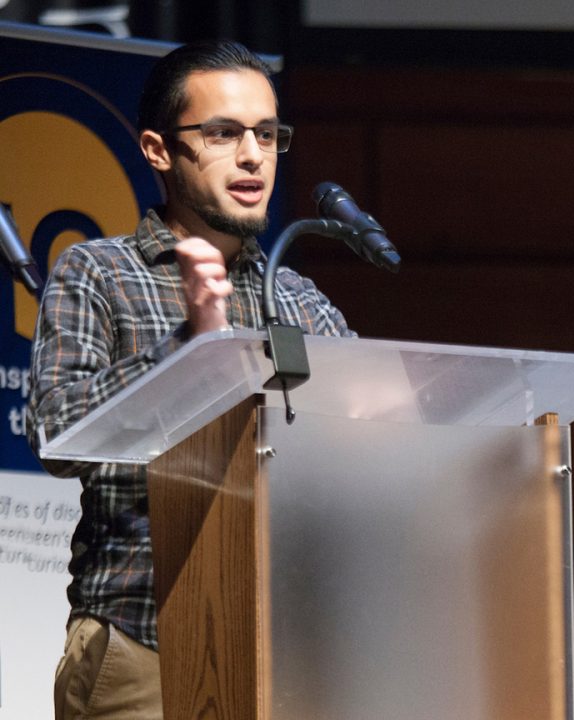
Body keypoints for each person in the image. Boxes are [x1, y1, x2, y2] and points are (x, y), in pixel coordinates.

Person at [27, 39, 354, 720]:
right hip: (145, 645)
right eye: (223, 133)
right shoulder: (99, 273)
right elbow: (56, 434)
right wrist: (189, 348)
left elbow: (381, 430)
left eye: (266, 134)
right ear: (157, 149)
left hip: (284, 649)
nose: (252, 155)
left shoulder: (298, 298)